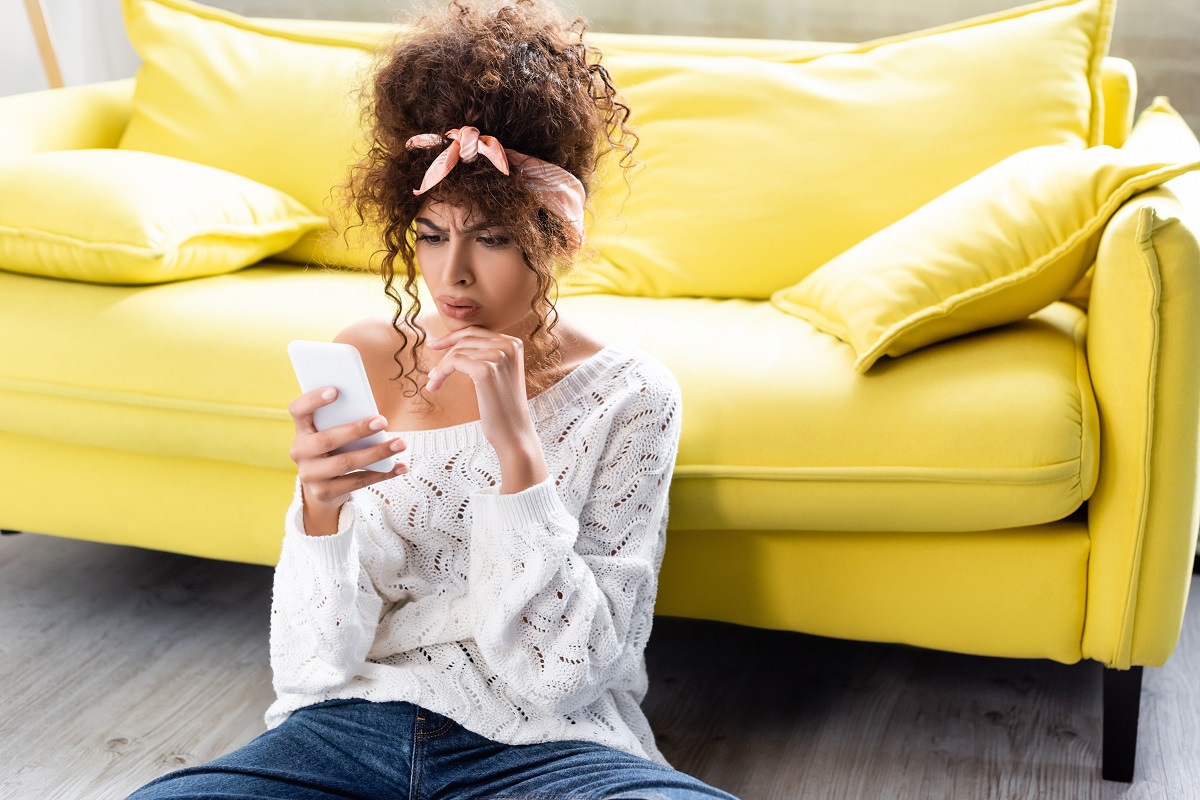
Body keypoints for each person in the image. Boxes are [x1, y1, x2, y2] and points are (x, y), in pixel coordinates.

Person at [127, 1, 740, 798]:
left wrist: (518, 454)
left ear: (555, 236)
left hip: (548, 748)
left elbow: (569, 676)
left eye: (490, 239)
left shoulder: (630, 395)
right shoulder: (363, 359)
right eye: (430, 234)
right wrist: (319, 515)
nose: (452, 276)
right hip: (350, 735)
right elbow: (312, 664)